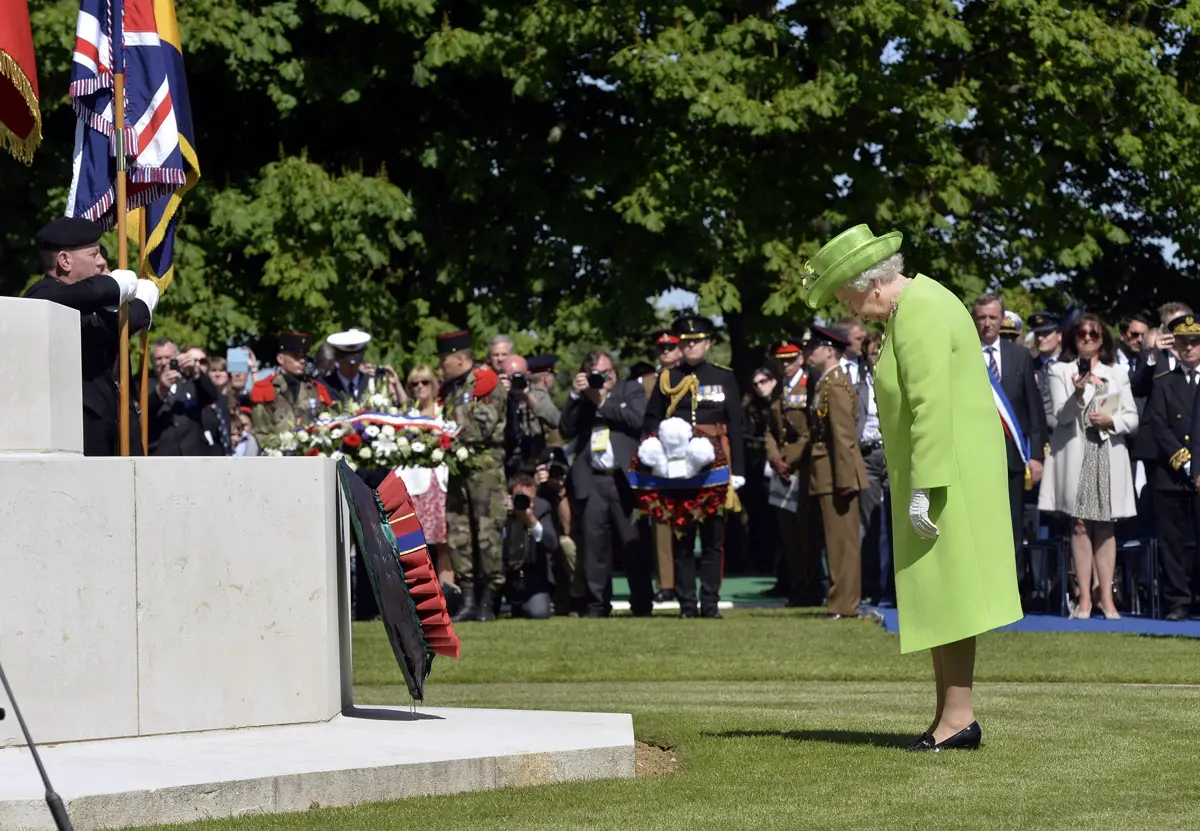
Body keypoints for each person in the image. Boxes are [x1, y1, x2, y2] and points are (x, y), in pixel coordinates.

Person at [804, 223, 1022, 751]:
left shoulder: (920, 308)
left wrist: (926, 485)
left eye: (846, 295)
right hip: (944, 471)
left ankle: (959, 717)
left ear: (871, 282)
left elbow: (929, 405)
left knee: (951, 597)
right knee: (940, 598)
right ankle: (950, 716)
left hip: (945, 475)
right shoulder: (916, 304)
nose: (849, 308)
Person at [24, 217, 160, 456]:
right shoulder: (43, 295)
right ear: (65, 260)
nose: (101, 262)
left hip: (117, 431)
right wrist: (117, 285)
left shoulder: (92, 303)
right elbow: (92, 294)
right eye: (93, 254)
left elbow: (124, 321)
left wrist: (143, 301)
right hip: (81, 437)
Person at [644, 314, 745, 619]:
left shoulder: (723, 377)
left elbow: (736, 425)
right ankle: (687, 605)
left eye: (697, 342)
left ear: (708, 343)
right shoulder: (668, 378)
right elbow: (651, 421)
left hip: (716, 461)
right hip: (678, 465)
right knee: (683, 536)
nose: (691, 347)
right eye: (685, 343)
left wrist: (737, 470)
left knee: (714, 538)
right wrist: (654, 458)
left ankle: (710, 603)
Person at [1039, 314, 1138, 619]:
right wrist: (1078, 391)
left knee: (1106, 526)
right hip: (1075, 454)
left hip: (1107, 453)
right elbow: (1059, 418)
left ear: (1102, 340)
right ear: (1073, 338)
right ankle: (1082, 598)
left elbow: (1132, 418)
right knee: (1080, 525)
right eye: (1082, 334)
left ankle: (1106, 598)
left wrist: (1113, 420)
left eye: (1094, 335)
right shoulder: (1060, 370)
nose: (1087, 339)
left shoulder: (1117, 372)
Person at [560, 349, 650, 616]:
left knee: (632, 542)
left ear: (616, 370)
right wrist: (576, 395)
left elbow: (636, 420)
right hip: (593, 479)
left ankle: (642, 602)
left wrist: (601, 400)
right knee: (594, 545)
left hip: (623, 478)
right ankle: (597, 604)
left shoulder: (630, 389)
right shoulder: (583, 399)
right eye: (597, 374)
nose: (604, 378)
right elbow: (565, 428)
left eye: (608, 372)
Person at [438, 329, 508, 623]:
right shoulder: (451, 387)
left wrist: (442, 437)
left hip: (485, 470)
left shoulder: (485, 382)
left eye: (445, 360)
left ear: (460, 358)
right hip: (459, 469)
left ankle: (489, 600)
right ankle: (467, 597)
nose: (441, 366)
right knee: (459, 533)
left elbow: (483, 427)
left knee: (487, 533)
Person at [806, 325, 868, 618]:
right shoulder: (826, 382)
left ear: (829, 351)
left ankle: (844, 604)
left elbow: (843, 436)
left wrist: (845, 479)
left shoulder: (835, 385)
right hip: (829, 471)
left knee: (842, 542)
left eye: (814, 348)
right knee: (837, 541)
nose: (809, 352)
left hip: (836, 473)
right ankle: (841, 602)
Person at [1149, 315, 1200, 621]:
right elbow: (1158, 423)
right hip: (1172, 473)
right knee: (1173, 542)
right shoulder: (1164, 382)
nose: (1189, 348)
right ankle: (1177, 600)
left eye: (1195, 342)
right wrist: (1188, 463)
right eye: (1183, 342)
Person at [764, 337, 819, 606]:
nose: (785, 364)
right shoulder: (778, 389)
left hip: (804, 466)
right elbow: (770, 431)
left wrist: (789, 457)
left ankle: (811, 587)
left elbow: (812, 431)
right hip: (782, 468)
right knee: (788, 534)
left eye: (790, 359)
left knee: (806, 532)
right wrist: (775, 457)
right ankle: (796, 586)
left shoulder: (809, 385)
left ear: (800, 358)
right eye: (781, 360)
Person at [645, 328, 683, 602]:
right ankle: (667, 583)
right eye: (662, 349)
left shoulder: (692, 376)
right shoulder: (651, 381)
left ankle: (687, 582)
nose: (666, 353)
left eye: (671, 348)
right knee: (662, 521)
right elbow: (647, 418)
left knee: (691, 518)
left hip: (691, 455)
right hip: (661, 456)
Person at [250, 332, 333, 433]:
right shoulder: (265, 389)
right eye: (296, 356)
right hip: (278, 447)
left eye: (304, 356)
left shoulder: (316, 389)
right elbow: (261, 433)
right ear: (280, 359)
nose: (302, 361)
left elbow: (328, 423)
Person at [502, 473, 559, 619]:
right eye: (521, 498)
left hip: (533, 574)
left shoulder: (542, 508)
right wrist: (504, 516)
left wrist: (531, 520)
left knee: (539, 612)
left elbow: (551, 543)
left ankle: (521, 605)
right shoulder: (500, 509)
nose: (526, 503)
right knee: (486, 612)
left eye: (531, 499)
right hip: (502, 575)